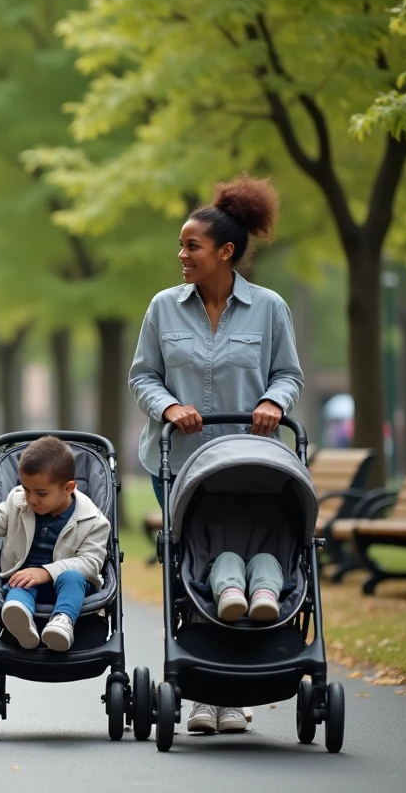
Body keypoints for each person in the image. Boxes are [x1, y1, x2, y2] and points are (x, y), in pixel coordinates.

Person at [128, 173, 303, 736]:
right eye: (181, 245)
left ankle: (234, 693)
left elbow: (288, 374)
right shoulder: (163, 307)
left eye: (191, 246)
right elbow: (143, 376)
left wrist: (275, 401)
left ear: (225, 252)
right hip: (178, 465)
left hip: (250, 469)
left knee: (240, 574)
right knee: (191, 574)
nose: (180, 255)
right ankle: (203, 694)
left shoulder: (270, 308)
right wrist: (168, 406)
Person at [0, 436, 109, 651]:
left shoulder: (93, 521)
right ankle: (21, 622)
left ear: (68, 488)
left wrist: (46, 572)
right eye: (26, 489)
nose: (31, 499)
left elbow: (90, 563)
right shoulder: (18, 503)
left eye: (41, 493)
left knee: (72, 577)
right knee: (17, 584)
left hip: (70, 587)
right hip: (26, 581)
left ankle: (62, 622)